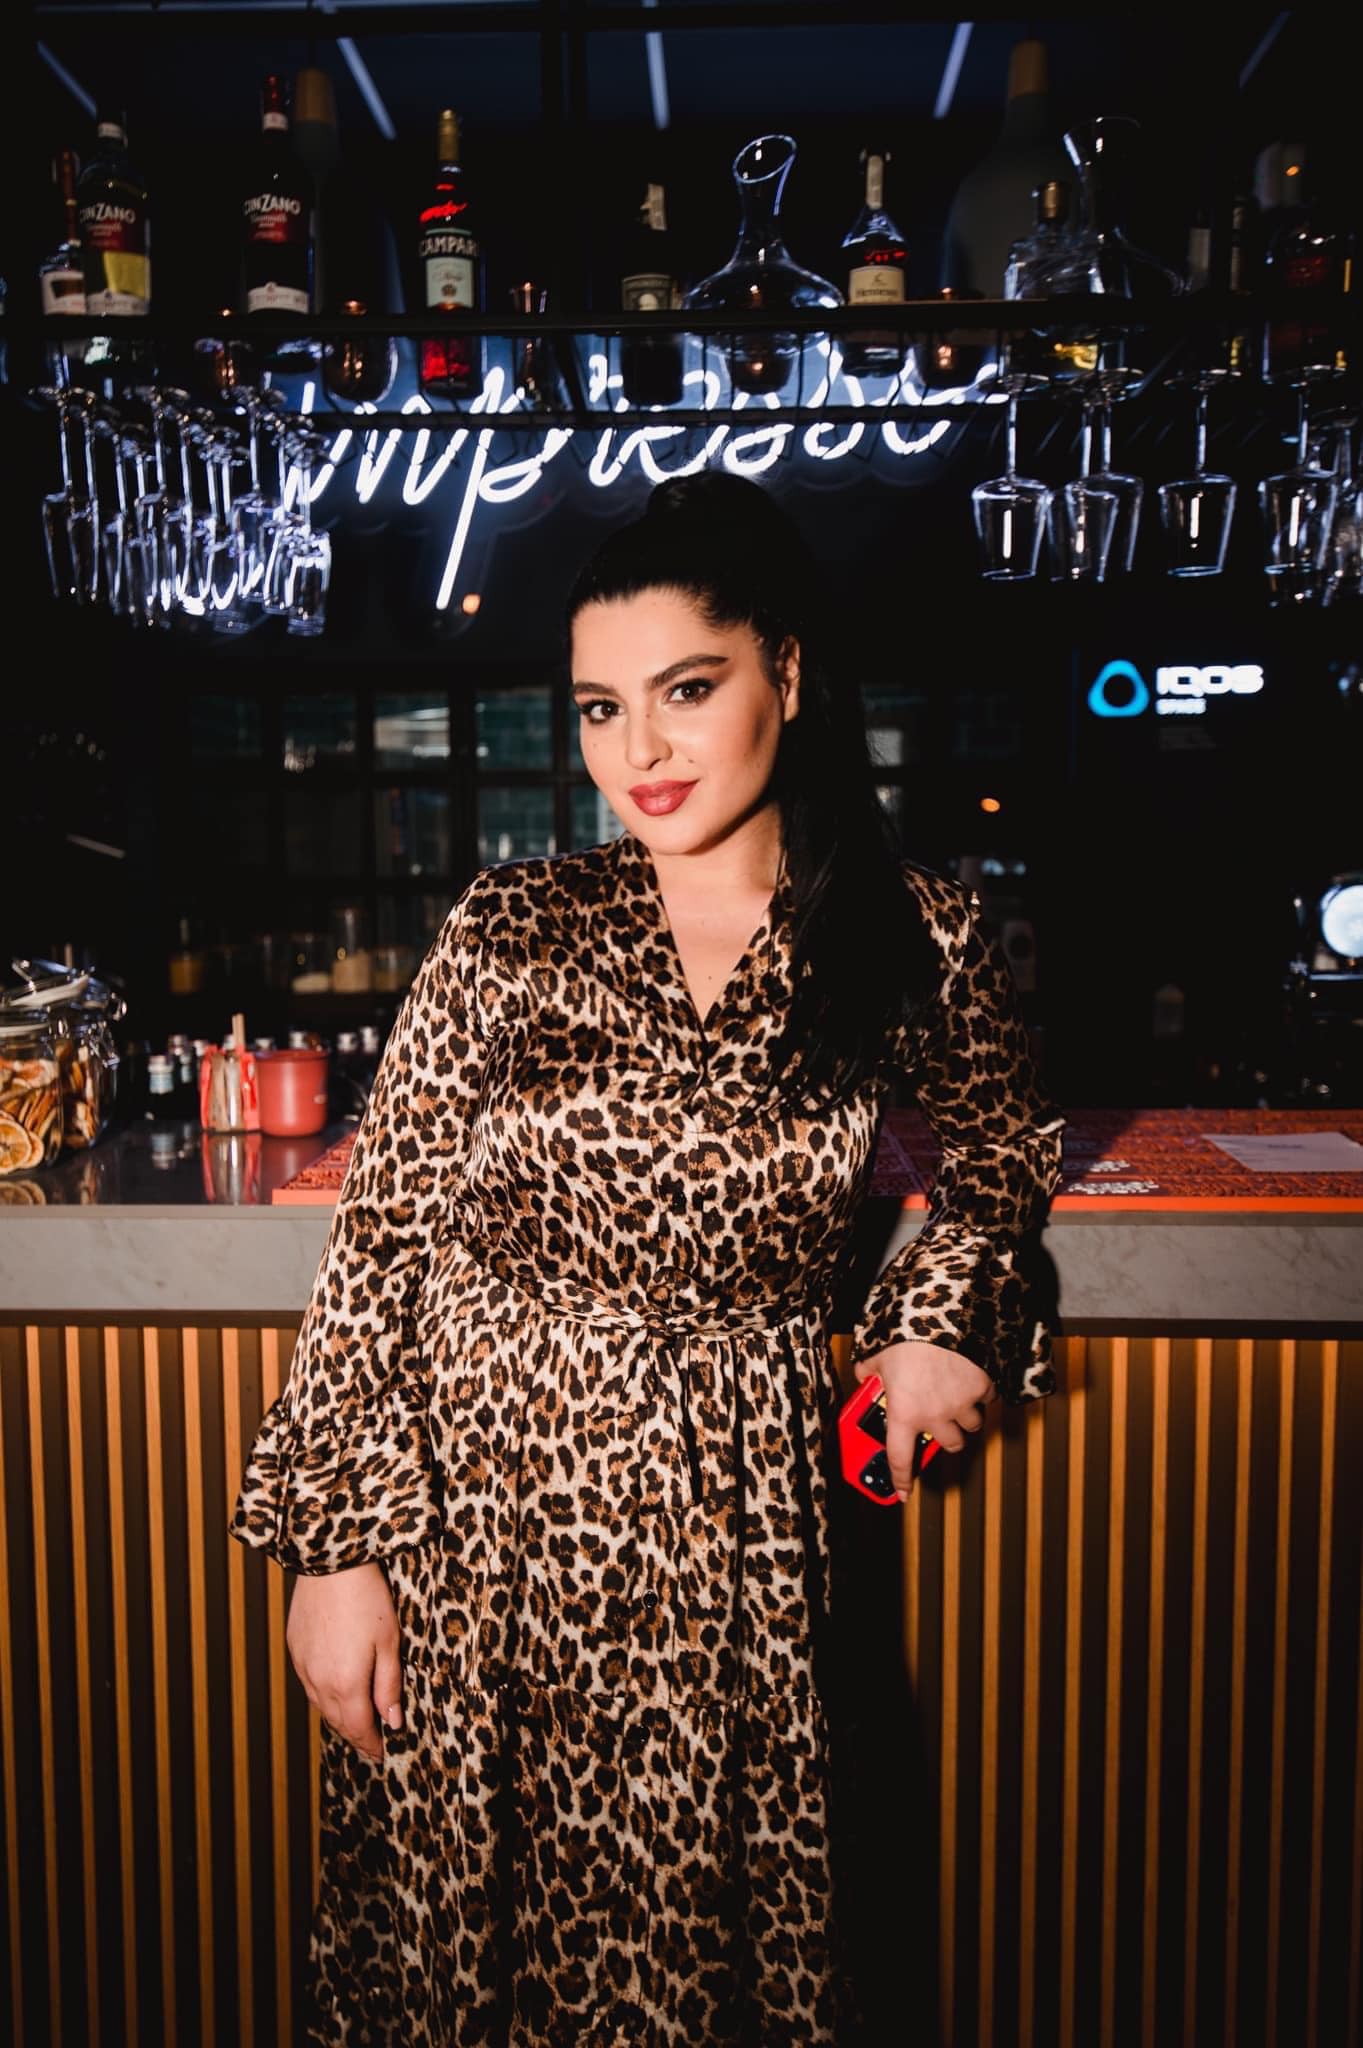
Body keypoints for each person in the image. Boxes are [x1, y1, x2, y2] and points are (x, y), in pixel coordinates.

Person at [229, 468, 1067, 2046]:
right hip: (482, 1525)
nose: (641, 753)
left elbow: (1000, 1162)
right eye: (602, 710)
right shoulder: (510, 928)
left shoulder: (918, 936)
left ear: (787, 674)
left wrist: (936, 1319)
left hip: (734, 1536)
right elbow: (381, 1243)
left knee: (702, 1966)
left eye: (686, 690)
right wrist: (332, 1556)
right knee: (468, 1966)